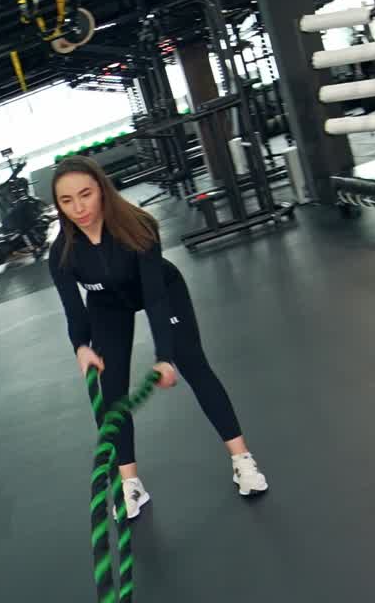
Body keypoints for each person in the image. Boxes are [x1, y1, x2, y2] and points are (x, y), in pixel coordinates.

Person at [48, 157, 267, 518]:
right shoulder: (63, 253)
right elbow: (75, 312)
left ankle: (243, 460)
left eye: (85, 194)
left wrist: (164, 355)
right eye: (67, 201)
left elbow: (153, 299)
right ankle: (131, 484)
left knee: (194, 365)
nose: (79, 207)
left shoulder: (139, 227)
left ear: (101, 189)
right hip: (108, 307)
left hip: (162, 289)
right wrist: (81, 347)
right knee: (112, 391)